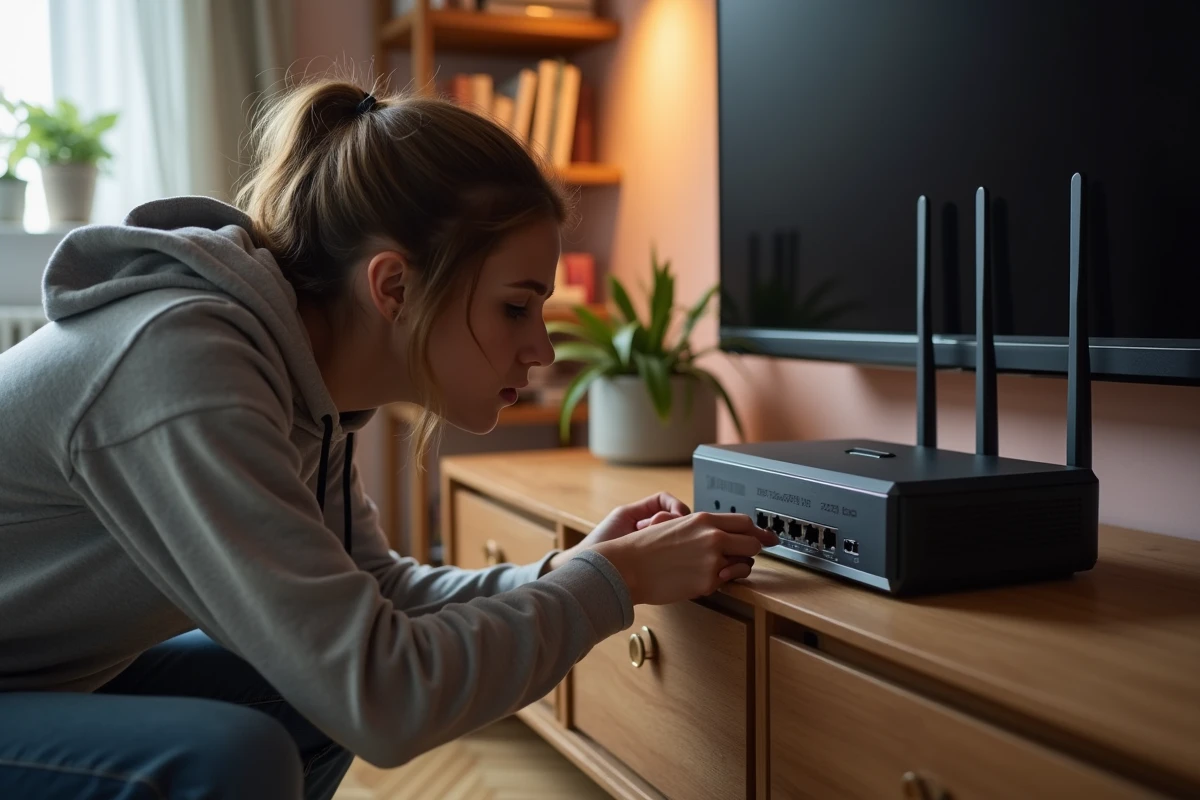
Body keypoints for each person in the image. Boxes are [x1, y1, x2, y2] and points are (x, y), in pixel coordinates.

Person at [0, 78, 777, 800]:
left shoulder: (300, 387)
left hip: (45, 681)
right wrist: (610, 584)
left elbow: (377, 596)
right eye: (516, 307)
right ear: (394, 287)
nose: (542, 349)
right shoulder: (183, 365)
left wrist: (576, 568)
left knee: (296, 698)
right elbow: (382, 698)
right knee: (235, 753)